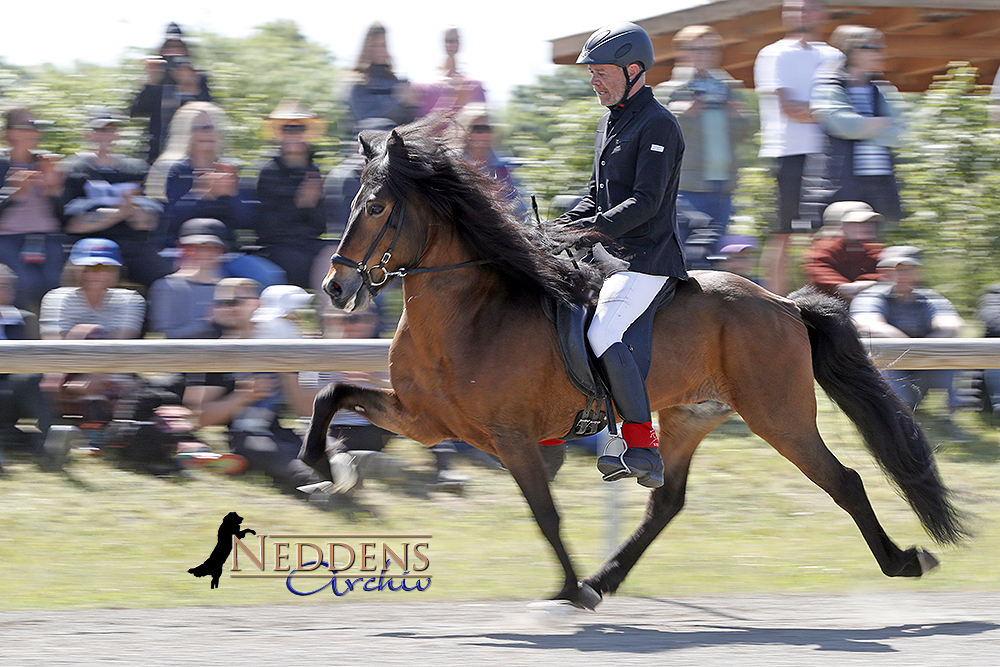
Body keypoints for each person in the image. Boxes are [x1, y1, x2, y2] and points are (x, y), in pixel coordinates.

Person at [554, 22, 686, 489]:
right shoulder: (608, 120)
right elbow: (596, 195)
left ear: (633, 71)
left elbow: (646, 202)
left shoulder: (660, 125)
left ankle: (641, 442)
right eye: (591, 72)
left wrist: (591, 229)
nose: (593, 80)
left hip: (647, 258)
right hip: (607, 255)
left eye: (601, 71)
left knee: (605, 328)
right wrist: (558, 229)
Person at [183, 278, 322, 492]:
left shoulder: (277, 339)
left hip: (277, 429)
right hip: (245, 435)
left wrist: (286, 369)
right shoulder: (214, 351)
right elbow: (198, 417)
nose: (227, 308)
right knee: (284, 459)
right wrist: (243, 396)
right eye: (222, 303)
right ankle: (318, 487)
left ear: (257, 304)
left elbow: (302, 408)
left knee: (326, 448)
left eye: (235, 301)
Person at [754, 0, 841, 295]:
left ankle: (821, 304)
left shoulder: (835, 55)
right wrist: (835, 114)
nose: (802, 14)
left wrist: (831, 113)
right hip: (787, 153)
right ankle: (779, 302)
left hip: (830, 154)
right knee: (783, 234)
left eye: (809, 7)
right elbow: (789, 108)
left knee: (827, 233)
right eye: (795, 8)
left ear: (823, 13)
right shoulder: (774, 54)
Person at [150, 101, 285, 288]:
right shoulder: (174, 170)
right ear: (187, 133)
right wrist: (202, 194)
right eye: (200, 128)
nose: (207, 133)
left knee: (270, 276)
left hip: (226, 253)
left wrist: (233, 195)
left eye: (211, 127)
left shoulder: (229, 168)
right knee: (216, 282)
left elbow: (247, 221)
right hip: (186, 252)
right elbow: (168, 219)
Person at [654, 25, 751, 254]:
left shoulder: (729, 89)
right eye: (697, 49)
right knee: (686, 253)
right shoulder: (669, 91)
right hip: (684, 188)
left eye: (711, 49)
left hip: (723, 187)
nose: (705, 55)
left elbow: (745, 133)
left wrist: (739, 117)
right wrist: (679, 113)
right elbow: (657, 132)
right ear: (682, 53)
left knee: (714, 254)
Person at [39, 239, 145, 439]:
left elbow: (120, 348)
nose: (95, 273)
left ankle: (100, 433)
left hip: (111, 371)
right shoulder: (56, 297)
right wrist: (80, 381)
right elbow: (55, 347)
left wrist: (94, 379)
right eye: (87, 267)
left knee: (121, 381)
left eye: (104, 267)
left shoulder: (130, 300)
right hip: (67, 371)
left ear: (116, 271)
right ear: (74, 269)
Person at [60, 108, 173, 287]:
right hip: (88, 247)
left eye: (109, 130)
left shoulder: (136, 169)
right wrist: (123, 212)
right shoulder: (73, 170)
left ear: (116, 134)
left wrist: (119, 213)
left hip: (133, 247)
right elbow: (74, 224)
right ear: (88, 134)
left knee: (168, 284)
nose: (104, 135)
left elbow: (147, 222)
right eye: (99, 130)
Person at [850, 249, 966, 419]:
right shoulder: (870, 296)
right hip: (889, 365)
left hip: (920, 362)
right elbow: (869, 324)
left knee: (957, 349)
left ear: (917, 272)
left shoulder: (928, 298)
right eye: (896, 270)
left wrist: (922, 349)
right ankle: (897, 412)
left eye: (907, 270)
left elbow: (951, 324)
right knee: (879, 353)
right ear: (884, 273)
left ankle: (952, 415)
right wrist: (910, 346)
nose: (901, 275)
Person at [811, 25, 906, 225]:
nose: (881, 53)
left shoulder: (883, 89)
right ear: (852, 51)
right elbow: (843, 126)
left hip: (881, 181)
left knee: (876, 247)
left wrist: (861, 127)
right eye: (872, 47)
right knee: (839, 242)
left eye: (881, 47)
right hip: (844, 182)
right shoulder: (830, 84)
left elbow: (900, 131)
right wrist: (881, 124)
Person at [254, 101, 334, 291]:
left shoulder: (314, 170)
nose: (293, 134)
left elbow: (319, 227)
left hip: (307, 244)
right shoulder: (267, 171)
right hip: (276, 248)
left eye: (299, 128)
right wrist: (298, 204)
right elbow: (263, 228)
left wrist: (312, 206)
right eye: (286, 129)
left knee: (346, 256)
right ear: (278, 135)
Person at [0, 106, 66, 313]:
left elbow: (65, 218)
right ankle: (17, 339)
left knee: (53, 287)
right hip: (8, 238)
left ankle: (53, 342)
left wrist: (53, 191)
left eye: (35, 126)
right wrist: (13, 195)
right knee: (21, 284)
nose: (33, 132)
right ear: (9, 133)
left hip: (48, 237)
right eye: (25, 126)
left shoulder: (47, 162)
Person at [129, 22, 213, 164]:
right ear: (162, 50)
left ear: (186, 50)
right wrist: (150, 83)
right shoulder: (156, 76)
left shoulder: (198, 77)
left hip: (191, 156)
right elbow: (134, 113)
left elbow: (211, 115)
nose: (174, 52)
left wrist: (191, 88)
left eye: (178, 47)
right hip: (157, 154)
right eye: (169, 47)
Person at [0, 263, 55, 472]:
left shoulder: (25, 320)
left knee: (28, 378)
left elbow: (36, 362)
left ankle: (49, 447)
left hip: (14, 396)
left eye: (5, 286)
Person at [149, 218, 229, 339]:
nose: (203, 254)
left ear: (221, 251)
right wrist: (209, 322)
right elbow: (164, 336)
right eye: (193, 248)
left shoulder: (230, 287)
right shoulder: (167, 287)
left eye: (211, 248)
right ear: (181, 249)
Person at [452, 103, 529, 220]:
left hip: (498, 232)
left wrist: (503, 202)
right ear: (466, 132)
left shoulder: (504, 168)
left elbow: (523, 211)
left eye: (488, 129)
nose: (484, 134)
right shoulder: (452, 165)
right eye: (478, 129)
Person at [345, 22, 419, 133]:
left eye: (383, 45)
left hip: (395, 144)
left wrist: (412, 104)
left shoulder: (394, 81)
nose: (380, 50)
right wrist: (397, 99)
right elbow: (366, 121)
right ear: (367, 47)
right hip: (368, 145)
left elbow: (407, 122)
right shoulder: (359, 82)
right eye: (376, 46)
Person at [802, 200, 883, 301]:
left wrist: (869, 283)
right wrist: (845, 287)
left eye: (868, 222)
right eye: (857, 223)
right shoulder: (823, 250)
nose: (866, 226)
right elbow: (821, 272)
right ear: (839, 225)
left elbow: (886, 270)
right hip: (829, 306)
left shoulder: (872, 250)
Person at [417, 26, 487, 118]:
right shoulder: (429, 86)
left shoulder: (474, 85)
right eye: (447, 41)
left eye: (454, 41)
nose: (450, 45)